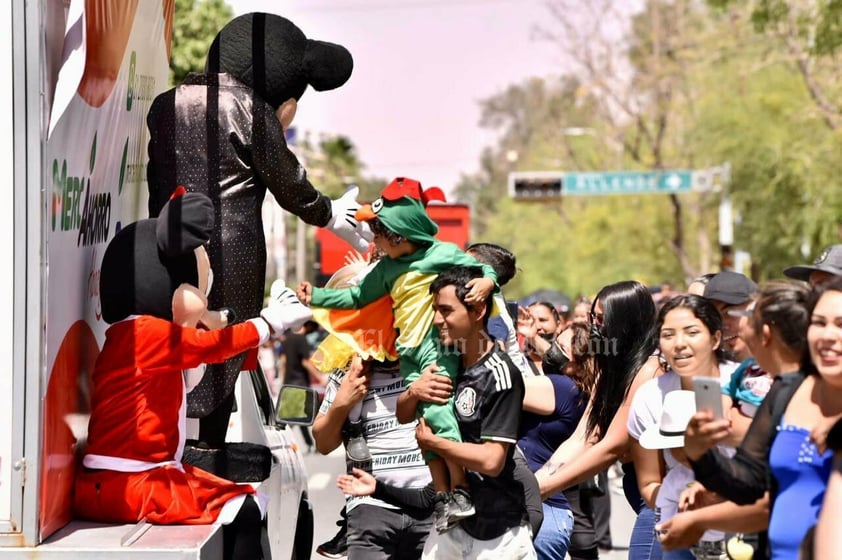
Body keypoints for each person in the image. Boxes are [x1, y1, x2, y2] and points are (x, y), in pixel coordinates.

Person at [146, 12, 371, 448]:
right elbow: (289, 185)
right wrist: (329, 214)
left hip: (168, 244)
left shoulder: (164, 104)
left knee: (175, 339)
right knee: (224, 341)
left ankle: (168, 437)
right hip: (232, 250)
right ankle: (209, 445)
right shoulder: (249, 108)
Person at [73, 190, 313, 560]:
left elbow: (192, 362)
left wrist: (214, 319)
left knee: (235, 498)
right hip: (135, 483)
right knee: (245, 506)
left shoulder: (124, 336)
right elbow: (212, 346)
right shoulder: (146, 333)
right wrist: (269, 322)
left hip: (110, 482)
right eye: (196, 286)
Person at [298, 177, 500, 532]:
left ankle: (460, 490)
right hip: (372, 509)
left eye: (378, 234)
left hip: (434, 352)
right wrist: (315, 296)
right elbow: (355, 297)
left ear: (398, 235)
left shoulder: (441, 255)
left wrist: (487, 282)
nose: (374, 240)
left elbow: (480, 270)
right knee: (426, 420)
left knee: (438, 414)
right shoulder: (351, 367)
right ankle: (444, 496)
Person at [685, 276, 842, 559]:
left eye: (841, 324)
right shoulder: (788, 389)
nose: (829, 334)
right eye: (819, 322)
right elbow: (750, 483)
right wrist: (701, 454)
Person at [655, 280, 811, 555]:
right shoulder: (780, 389)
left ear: (763, 334)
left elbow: (769, 501)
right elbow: (747, 483)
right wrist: (700, 453)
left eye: (742, 317)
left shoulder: (820, 393)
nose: (732, 328)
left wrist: (698, 519)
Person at [412, 265, 536, 559]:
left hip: (500, 535)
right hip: (453, 528)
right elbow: (406, 414)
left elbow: (492, 461)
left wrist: (434, 444)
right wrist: (414, 391)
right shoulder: (446, 366)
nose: (437, 319)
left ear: (478, 311)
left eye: (445, 310)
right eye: (434, 310)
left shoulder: (501, 374)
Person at [536, 280, 664, 560]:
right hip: (639, 492)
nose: (593, 326)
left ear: (627, 322)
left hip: (660, 501)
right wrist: (538, 479)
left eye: (602, 319)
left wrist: (541, 489)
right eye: (592, 317)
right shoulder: (610, 372)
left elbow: (611, 447)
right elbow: (585, 437)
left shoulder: (649, 370)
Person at [628, 295, 729, 560]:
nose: (679, 344)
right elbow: (650, 482)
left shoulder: (745, 387)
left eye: (692, 332)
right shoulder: (650, 396)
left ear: (716, 338)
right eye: (668, 335)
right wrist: (680, 501)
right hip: (680, 530)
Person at [518, 321, 594, 559]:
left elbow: (501, 386)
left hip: (540, 509)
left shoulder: (562, 387)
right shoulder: (580, 392)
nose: (552, 351)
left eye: (560, 347)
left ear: (579, 364)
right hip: (548, 510)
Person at [283, 320, 326, 453]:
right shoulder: (301, 339)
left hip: (289, 381)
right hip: (300, 382)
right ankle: (283, 441)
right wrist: (320, 378)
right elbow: (305, 362)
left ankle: (310, 444)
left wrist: (282, 381)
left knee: (298, 416)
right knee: (292, 418)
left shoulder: (287, 338)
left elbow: (284, 360)